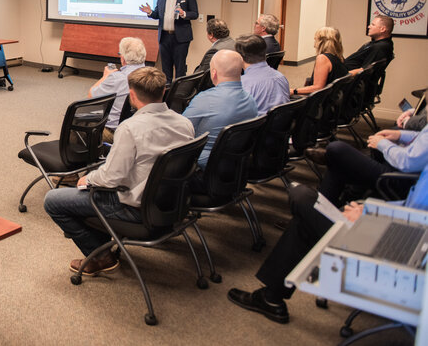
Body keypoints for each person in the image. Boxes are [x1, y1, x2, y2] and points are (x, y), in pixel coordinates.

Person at [228, 165, 428, 324]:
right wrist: (369, 208)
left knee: (302, 197)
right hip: (397, 232)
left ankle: (271, 297)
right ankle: (271, 297)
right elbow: (411, 208)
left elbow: (418, 217)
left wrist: (369, 214)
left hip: (397, 251)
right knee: (305, 217)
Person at [44, 67, 195, 275]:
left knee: (53, 200)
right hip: (172, 204)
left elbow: (110, 179)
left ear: (131, 95)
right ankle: (103, 245)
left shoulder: (130, 128)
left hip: (134, 208)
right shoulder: (185, 123)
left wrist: (87, 180)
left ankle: (100, 255)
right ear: (164, 92)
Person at [307, 125, 428, 208]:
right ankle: (322, 209)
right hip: (403, 170)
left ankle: (320, 208)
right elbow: (422, 136)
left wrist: (382, 144)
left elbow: (407, 161)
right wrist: (400, 134)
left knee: (337, 150)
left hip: (403, 178)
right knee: (337, 164)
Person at [183, 50, 258, 169]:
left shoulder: (204, 99)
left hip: (204, 162)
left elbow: (181, 129)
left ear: (214, 73)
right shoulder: (251, 100)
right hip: (237, 161)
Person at [138, 0, 199, 83]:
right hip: (164, 37)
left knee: (180, 68)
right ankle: (166, 90)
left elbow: (195, 14)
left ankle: (179, 93)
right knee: (166, 68)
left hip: (180, 38)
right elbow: (157, 14)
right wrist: (150, 12)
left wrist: (183, 13)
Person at [88, 37, 148, 143]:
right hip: (142, 130)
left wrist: (105, 77)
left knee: (75, 123)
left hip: (116, 133)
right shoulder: (153, 76)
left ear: (123, 58)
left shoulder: (117, 78)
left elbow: (91, 96)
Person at [235, 34, 289, 116]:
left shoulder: (243, 84)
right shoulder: (281, 77)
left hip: (256, 127)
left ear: (240, 57)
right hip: (281, 125)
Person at [291, 26, 348, 96]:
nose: (314, 45)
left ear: (322, 42)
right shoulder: (340, 57)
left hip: (324, 102)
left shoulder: (323, 58)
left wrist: (294, 91)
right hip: (337, 99)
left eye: (316, 40)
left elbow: (318, 88)